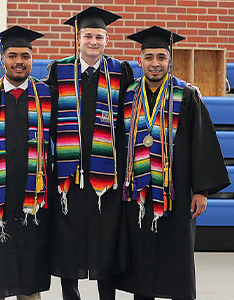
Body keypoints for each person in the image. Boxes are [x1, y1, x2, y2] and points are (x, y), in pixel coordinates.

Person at [116, 26, 230, 300]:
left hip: (175, 195)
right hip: (140, 196)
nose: (155, 63)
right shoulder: (128, 96)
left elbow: (201, 144)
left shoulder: (187, 96)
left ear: (170, 60)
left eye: (161, 57)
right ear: (140, 59)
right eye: (149, 57)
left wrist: (201, 191)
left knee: (177, 259)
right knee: (141, 259)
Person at [44, 6, 135, 300]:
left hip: (106, 174)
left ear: (107, 40)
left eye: (99, 36)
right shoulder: (59, 71)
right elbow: (40, 102)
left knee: (105, 239)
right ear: (77, 38)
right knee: (68, 237)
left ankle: (106, 296)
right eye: (88, 36)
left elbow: (140, 100)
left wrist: (183, 86)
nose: (93, 42)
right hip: (69, 175)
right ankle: (70, 295)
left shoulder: (121, 72)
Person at [0, 26, 53, 300]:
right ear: (2, 59)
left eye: (25, 55)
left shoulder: (47, 96)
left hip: (33, 199)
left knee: (30, 276)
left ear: (32, 58)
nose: (19, 61)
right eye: (13, 55)